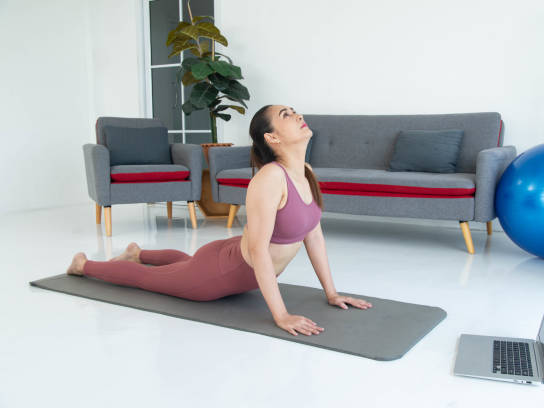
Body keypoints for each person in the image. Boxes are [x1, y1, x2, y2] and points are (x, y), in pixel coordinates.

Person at [66, 104, 372, 336]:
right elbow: (259, 252)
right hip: (214, 276)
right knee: (148, 279)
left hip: (224, 256)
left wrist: (331, 293)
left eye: (293, 111)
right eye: (285, 115)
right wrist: (281, 315)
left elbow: (314, 235)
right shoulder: (270, 180)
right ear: (272, 137)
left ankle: (138, 253)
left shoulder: (306, 172)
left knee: (186, 262)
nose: (295, 115)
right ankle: (83, 265)